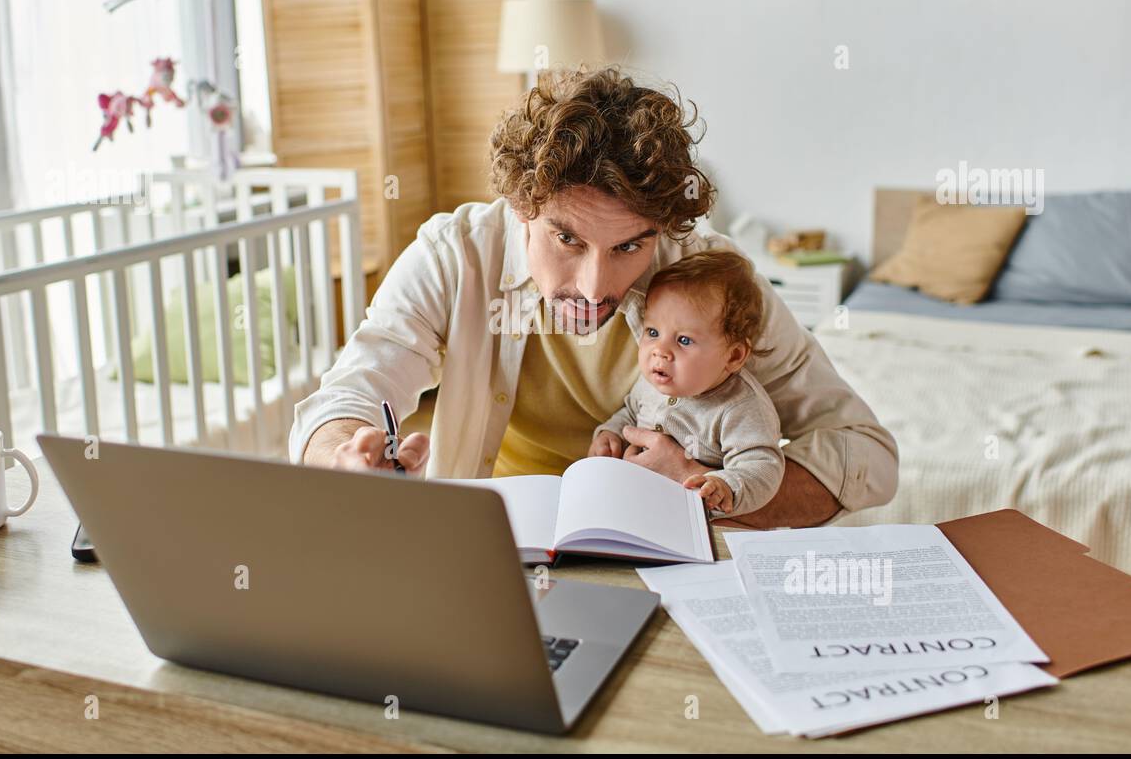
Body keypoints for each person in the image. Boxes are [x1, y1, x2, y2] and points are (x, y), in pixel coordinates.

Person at [291, 66, 898, 529]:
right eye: (567, 238)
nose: (593, 287)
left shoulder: (712, 280)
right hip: (495, 541)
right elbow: (350, 395)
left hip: (669, 553)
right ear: (521, 206)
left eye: (631, 246)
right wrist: (343, 459)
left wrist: (703, 491)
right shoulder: (455, 256)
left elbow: (865, 452)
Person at [590, 250, 782, 517]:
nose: (660, 351)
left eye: (683, 340)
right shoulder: (654, 381)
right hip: (636, 505)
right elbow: (631, 412)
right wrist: (610, 433)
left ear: (734, 355)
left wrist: (725, 485)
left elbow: (763, 465)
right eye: (653, 332)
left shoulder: (739, 407)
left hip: (695, 523)